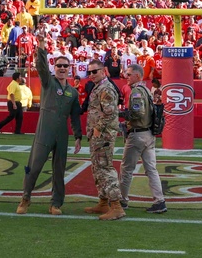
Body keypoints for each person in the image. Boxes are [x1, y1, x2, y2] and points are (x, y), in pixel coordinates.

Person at [17, 37, 81, 215]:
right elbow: (41, 67)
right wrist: (42, 49)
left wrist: (78, 136)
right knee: (34, 166)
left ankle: (56, 204)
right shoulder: (48, 83)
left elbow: (75, 116)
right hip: (44, 131)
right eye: (59, 65)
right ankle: (25, 198)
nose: (61, 68)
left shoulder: (73, 92)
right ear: (55, 67)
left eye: (65, 66)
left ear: (69, 69)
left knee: (59, 170)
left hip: (61, 134)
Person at [119, 63, 166, 214]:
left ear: (137, 76)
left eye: (129, 74)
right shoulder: (146, 90)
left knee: (126, 169)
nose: (126, 77)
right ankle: (160, 201)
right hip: (149, 134)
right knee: (151, 169)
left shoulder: (137, 91)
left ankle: (122, 200)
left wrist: (121, 115)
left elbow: (137, 113)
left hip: (138, 133)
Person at [83, 60, 125, 220]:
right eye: (90, 72)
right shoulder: (98, 87)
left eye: (95, 71)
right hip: (98, 135)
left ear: (103, 71)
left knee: (105, 167)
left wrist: (98, 128)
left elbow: (110, 112)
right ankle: (103, 202)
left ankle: (116, 206)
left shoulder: (106, 88)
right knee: (97, 168)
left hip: (103, 135)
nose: (92, 75)